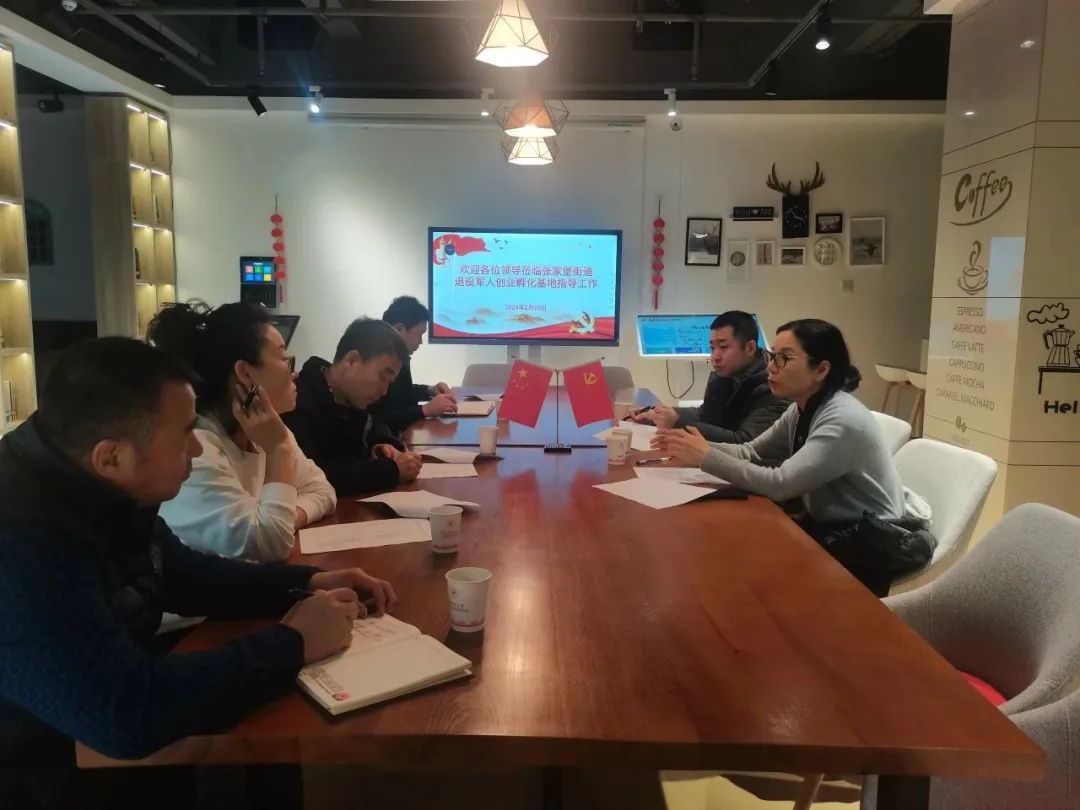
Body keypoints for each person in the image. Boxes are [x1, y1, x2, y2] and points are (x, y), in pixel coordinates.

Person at [0, 337, 396, 807]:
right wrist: (295, 642)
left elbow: (182, 574)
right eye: (185, 434)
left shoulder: (92, 482)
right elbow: (128, 713)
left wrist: (305, 582)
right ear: (112, 457)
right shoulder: (22, 539)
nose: (195, 448)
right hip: (44, 770)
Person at [654, 319, 930, 595]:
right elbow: (751, 451)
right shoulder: (801, 407)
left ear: (821, 369)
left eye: (784, 358)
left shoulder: (841, 419)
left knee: (743, 572)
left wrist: (705, 456)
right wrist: (694, 446)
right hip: (828, 525)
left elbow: (780, 484)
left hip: (870, 541)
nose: (771, 367)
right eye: (772, 355)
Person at [149, 301, 337, 562]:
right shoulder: (196, 450)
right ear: (245, 372)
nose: (294, 373)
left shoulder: (266, 430)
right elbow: (271, 543)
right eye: (285, 359)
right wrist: (278, 450)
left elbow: (322, 490)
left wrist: (284, 519)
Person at [284, 318, 424, 495]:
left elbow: (374, 425)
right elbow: (315, 477)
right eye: (383, 377)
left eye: (390, 382)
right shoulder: (297, 402)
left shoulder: (352, 396)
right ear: (351, 361)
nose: (384, 391)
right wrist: (391, 471)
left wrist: (382, 445)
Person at [630, 310, 788, 443]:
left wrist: (678, 422)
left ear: (750, 348)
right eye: (712, 348)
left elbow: (745, 442)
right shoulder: (726, 374)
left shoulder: (773, 386)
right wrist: (659, 413)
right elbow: (705, 414)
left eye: (723, 347)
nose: (715, 356)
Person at [370, 296, 457, 432]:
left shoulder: (400, 357)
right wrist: (424, 410)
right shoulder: (375, 361)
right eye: (420, 334)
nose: (421, 342)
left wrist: (429, 391)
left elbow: (402, 394)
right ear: (400, 329)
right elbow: (378, 418)